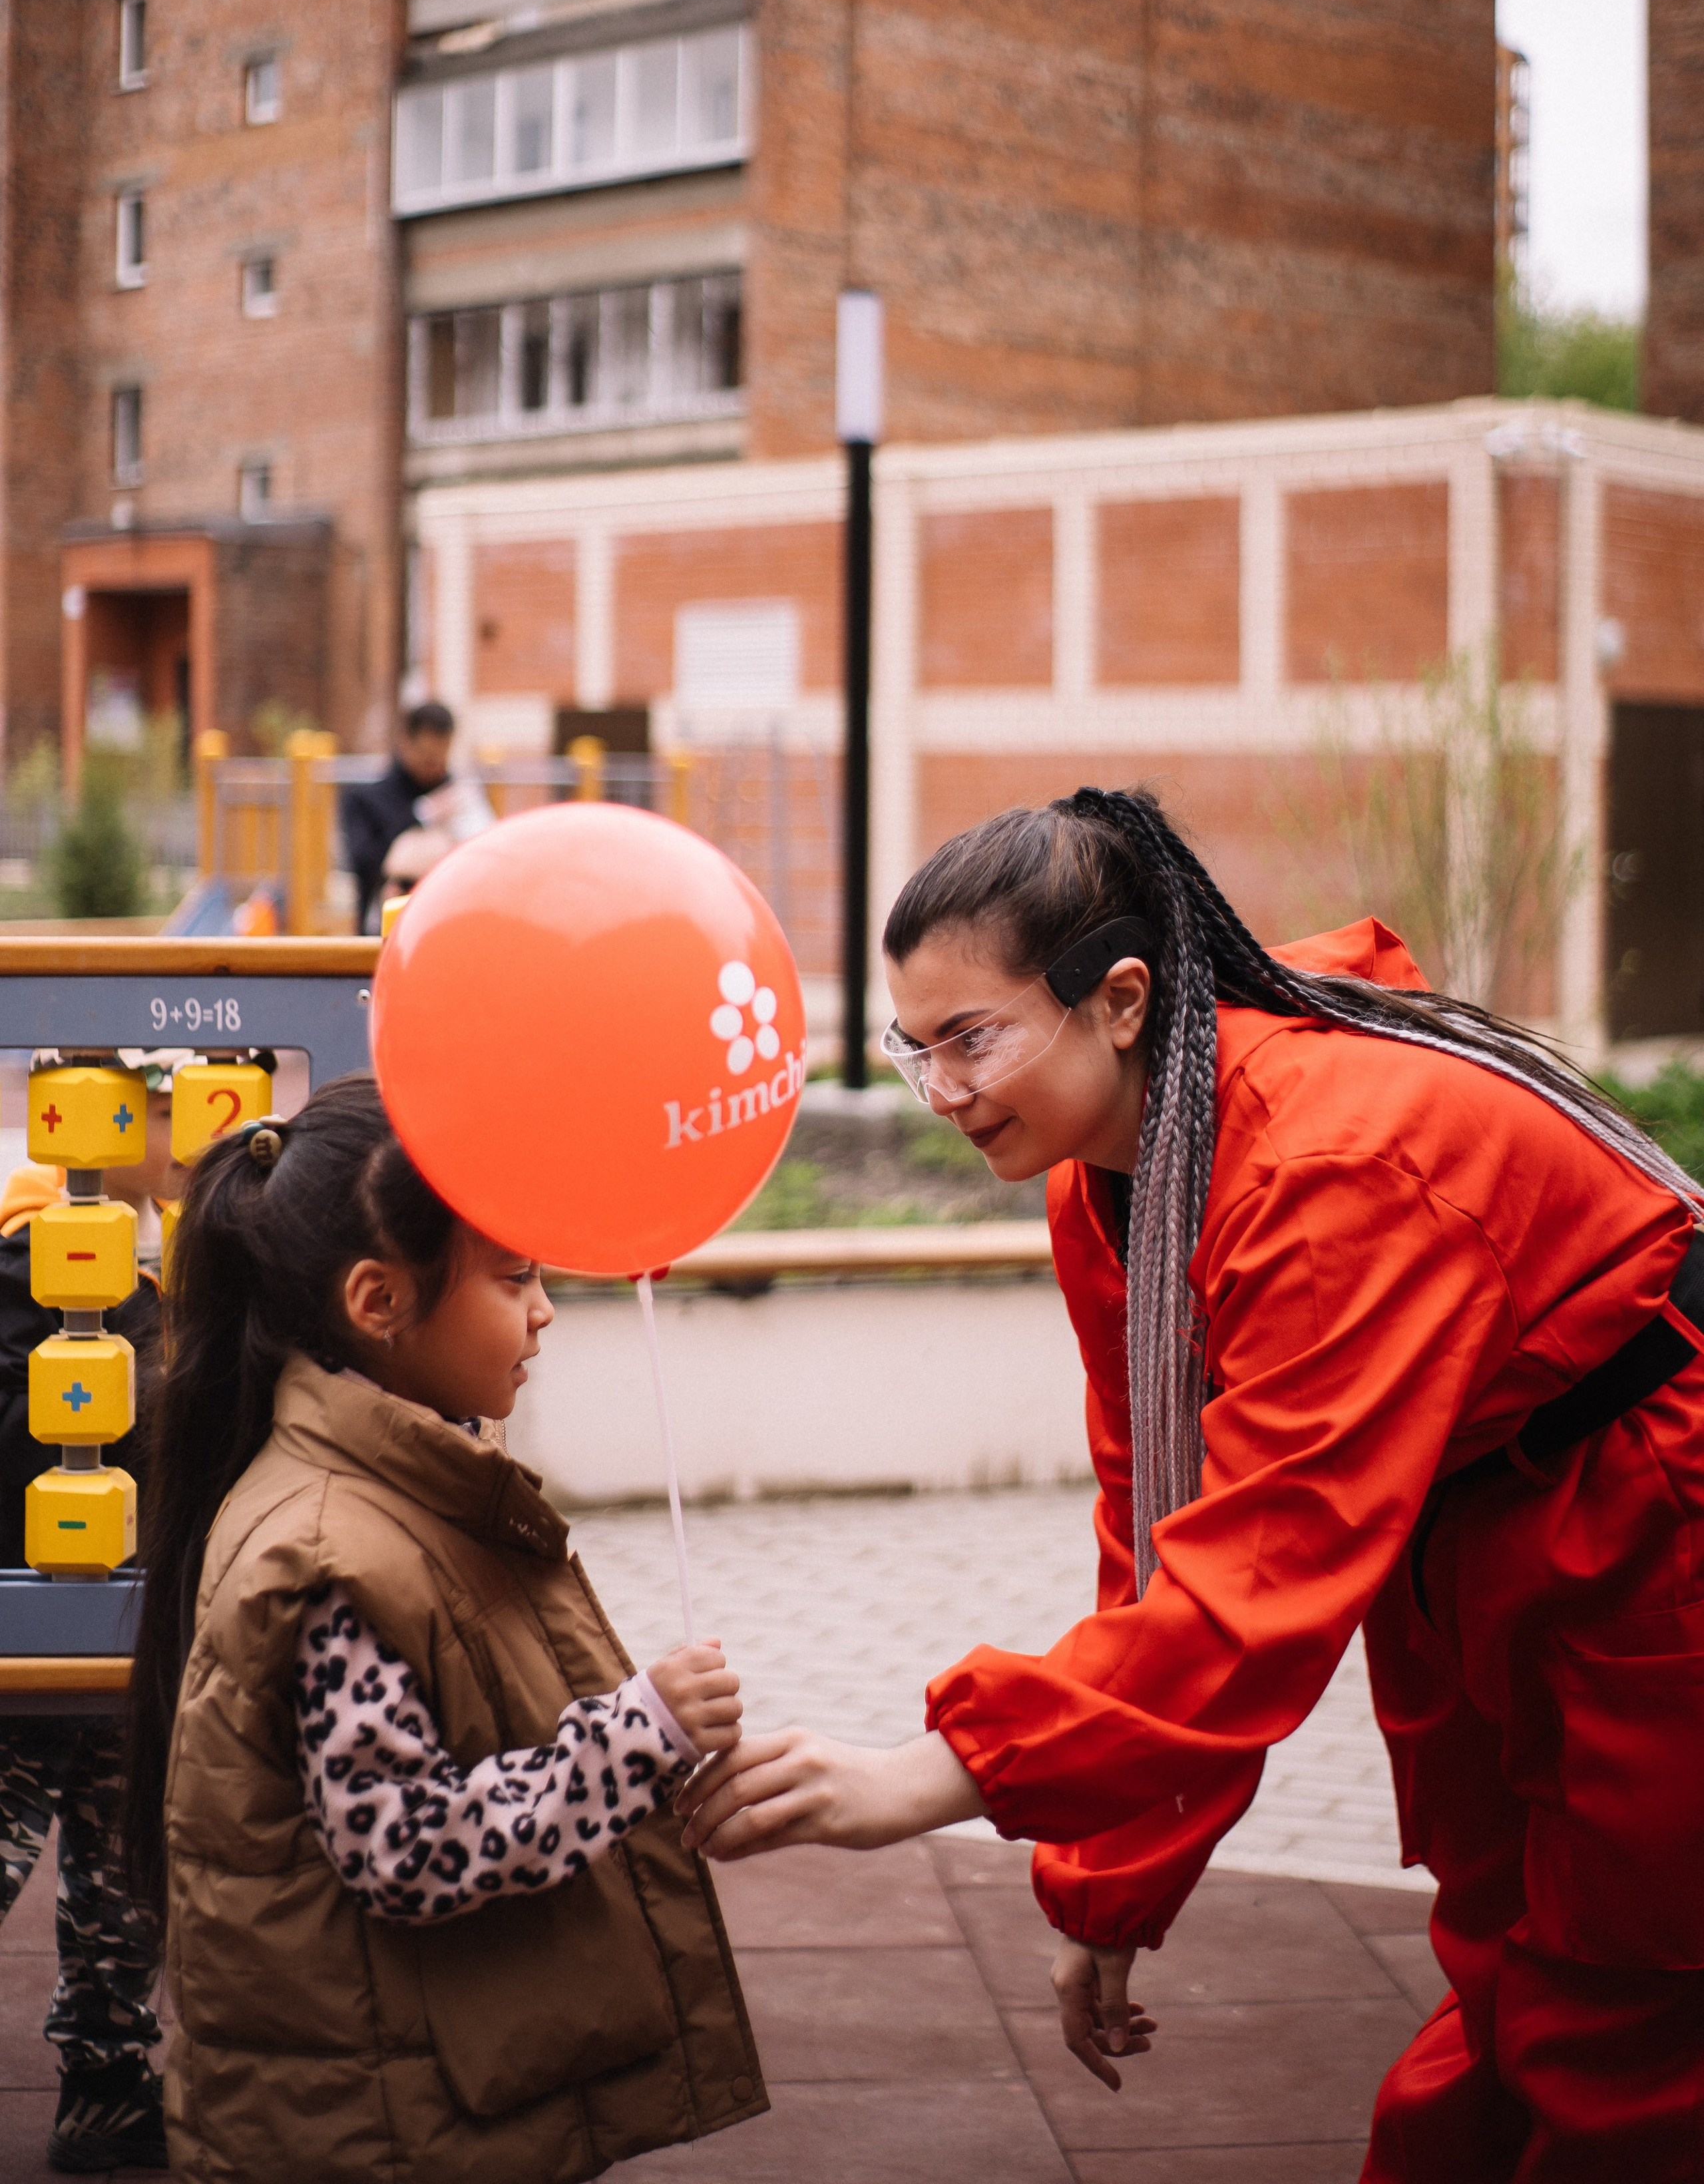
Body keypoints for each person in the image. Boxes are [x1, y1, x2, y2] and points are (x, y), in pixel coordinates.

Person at [678, 784, 1704, 2182]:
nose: (944, 1094)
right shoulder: (1107, 1175)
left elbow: (1259, 1577)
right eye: (914, 1050)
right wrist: (1111, 1876)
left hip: (1651, 1520)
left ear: (1117, 999)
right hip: (1479, 1533)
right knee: (1507, 1963)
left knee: (1623, 2018)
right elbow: (1159, 1529)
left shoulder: (1328, 1161)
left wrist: (937, 1775)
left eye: (971, 1040)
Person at [122, 1074, 765, 2182]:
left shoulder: (395, 1491)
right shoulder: (334, 1555)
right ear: (379, 1302)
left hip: (405, 2088)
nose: (544, 1307)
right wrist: (636, 1738)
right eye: (513, 1276)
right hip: (379, 2127)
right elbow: (410, 1851)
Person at [0, 1073, 182, 2173]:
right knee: (60, 1826)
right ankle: (106, 2078)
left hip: (112, 1624)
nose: (193, 1137)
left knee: (126, 1857)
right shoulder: (51, 1252)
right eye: (168, 1113)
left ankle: (108, 2081)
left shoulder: (145, 1261)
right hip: (43, 1626)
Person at [340, 701, 455, 935]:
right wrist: (422, 817)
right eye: (428, 757)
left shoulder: (457, 797)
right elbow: (364, 862)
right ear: (406, 742)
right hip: (382, 933)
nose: (435, 767)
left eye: (441, 757)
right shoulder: (366, 801)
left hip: (445, 929)